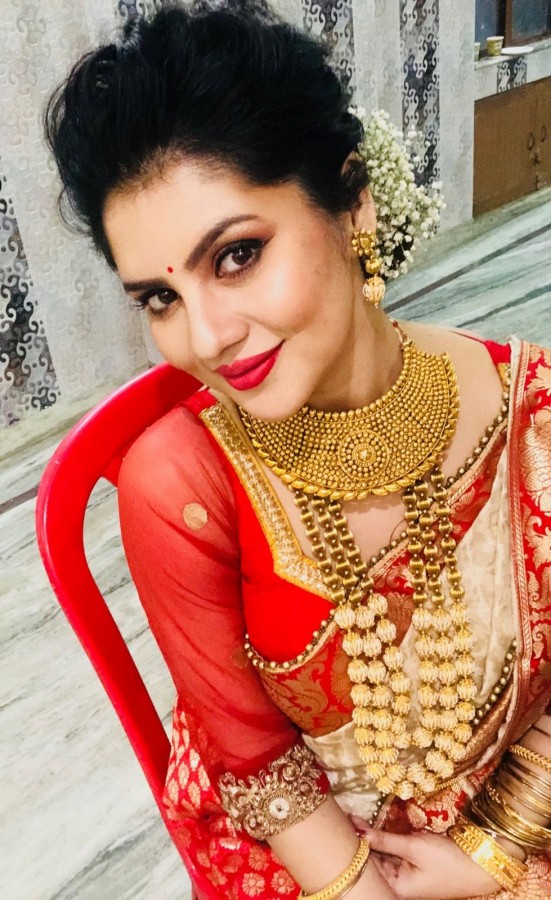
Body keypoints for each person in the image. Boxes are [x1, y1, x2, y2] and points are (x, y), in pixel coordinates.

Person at [45, 2, 551, 898]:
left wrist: (500, 852)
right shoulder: (180, 482)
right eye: (158, 299)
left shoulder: (533, 412)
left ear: (350, 201)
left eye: (235, 255)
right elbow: (259, 769)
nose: (206, 336)